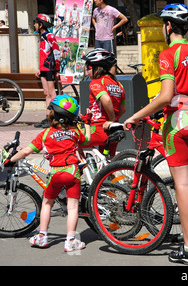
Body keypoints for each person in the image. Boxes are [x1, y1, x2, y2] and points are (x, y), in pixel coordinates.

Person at [123, 3, 188, 265]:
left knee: (182, 186)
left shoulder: (168, 54)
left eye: (164, 24)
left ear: (169, 26)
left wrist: (136, 116)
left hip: (178, 125)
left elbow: (166, 96)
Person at [3, 95, 90, 252]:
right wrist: (87, 124)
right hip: (73, 172)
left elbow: (26, 152)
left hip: (56, 173)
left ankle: (42, 236)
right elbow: (88, 139)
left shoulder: (45, 134)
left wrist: (10, 160)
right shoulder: (74, 132)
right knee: (72, 208)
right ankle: (71, 241)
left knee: (47, 203)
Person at [80, 48, 126, 157]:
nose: (87, 71)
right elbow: (123, 109)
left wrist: (110, 119)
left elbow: (106, 99)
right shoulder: (119, 84)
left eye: (88, 68)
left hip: (99, 128)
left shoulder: (96, 82)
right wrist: (113, 121)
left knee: (70, 141)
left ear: (97, 68)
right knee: (108, 167)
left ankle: (79, 170)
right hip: (114, 130)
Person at [34, 14, 61, 129]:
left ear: (41, 25)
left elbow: (57, 52)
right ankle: (48, 117)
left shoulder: (49, 36)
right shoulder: (42, 37)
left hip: (50, 68)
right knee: (46, 94)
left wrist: (57, 69)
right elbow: (44, 54)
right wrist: (40, 69)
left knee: (52, 93)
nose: (34, 25)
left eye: (35, 23)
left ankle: (54, 117)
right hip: (44, 69)